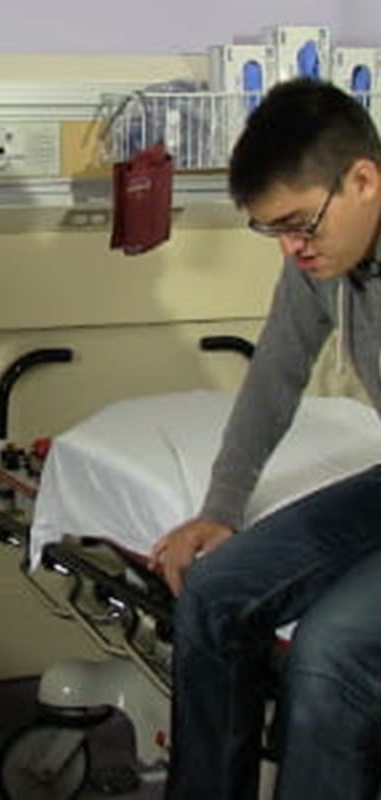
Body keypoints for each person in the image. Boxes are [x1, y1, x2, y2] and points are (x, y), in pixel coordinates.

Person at [149, 77, 381, 800]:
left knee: (331, 650)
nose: (290, 248)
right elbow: (274, 376)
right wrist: (221, 507)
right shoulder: (322, 263)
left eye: (300, 224)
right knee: (214, 591)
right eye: (272, 230)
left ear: (364, 181)